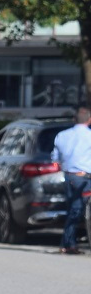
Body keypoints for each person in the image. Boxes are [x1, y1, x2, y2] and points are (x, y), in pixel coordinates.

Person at [52, 104, 91, 254]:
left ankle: (68, 243)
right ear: (89, 120)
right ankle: (68, 244)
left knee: (73, 209)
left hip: (70, 176)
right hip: (86, 176)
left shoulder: (62, 135)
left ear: (75, 119)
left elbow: (55, 157)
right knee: (76, 209)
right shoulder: (89, 135)